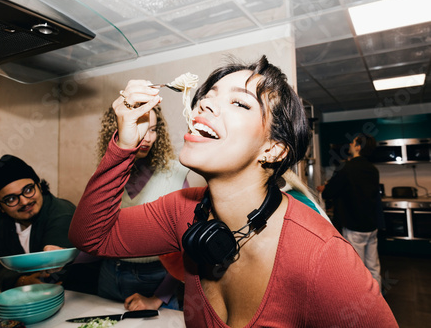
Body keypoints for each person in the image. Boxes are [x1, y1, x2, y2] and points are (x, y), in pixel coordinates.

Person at [69, 55, 397, 327]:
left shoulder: (323, 256)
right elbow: (93, 237)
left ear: (273, 149)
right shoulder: (180, 211)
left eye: (239, 103)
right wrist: (124, 145)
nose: (204, 107)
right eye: (206, 98)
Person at [95, 105, 189, 310]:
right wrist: (68, 255)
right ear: (118, 129)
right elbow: (97, 232)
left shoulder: (175, 174)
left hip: (156, 279)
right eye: (139, 128)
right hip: (109, 275)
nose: (148, 138)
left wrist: (158, 298)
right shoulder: (108, 174)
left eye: (153, 129)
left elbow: (186, 249)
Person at [0, 155, 77, 291]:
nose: (24, 201)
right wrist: (24, 281)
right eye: (11, 199)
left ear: (39, 186)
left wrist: (21, 280)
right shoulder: (1, 223)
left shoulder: (62, 214)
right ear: (0, 207)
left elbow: (52, 276)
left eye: (28, 190)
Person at [317, 134, 382, 288]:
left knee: (357, 268)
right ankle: (378, 299)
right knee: (373, 266)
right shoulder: (373, 169)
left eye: (353, 143)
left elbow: (328, 193)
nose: (351, 145)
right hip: (371, 226)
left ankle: (363, 304)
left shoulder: (348, 168)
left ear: (359, 147)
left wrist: (326, 188)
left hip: (354, 226)